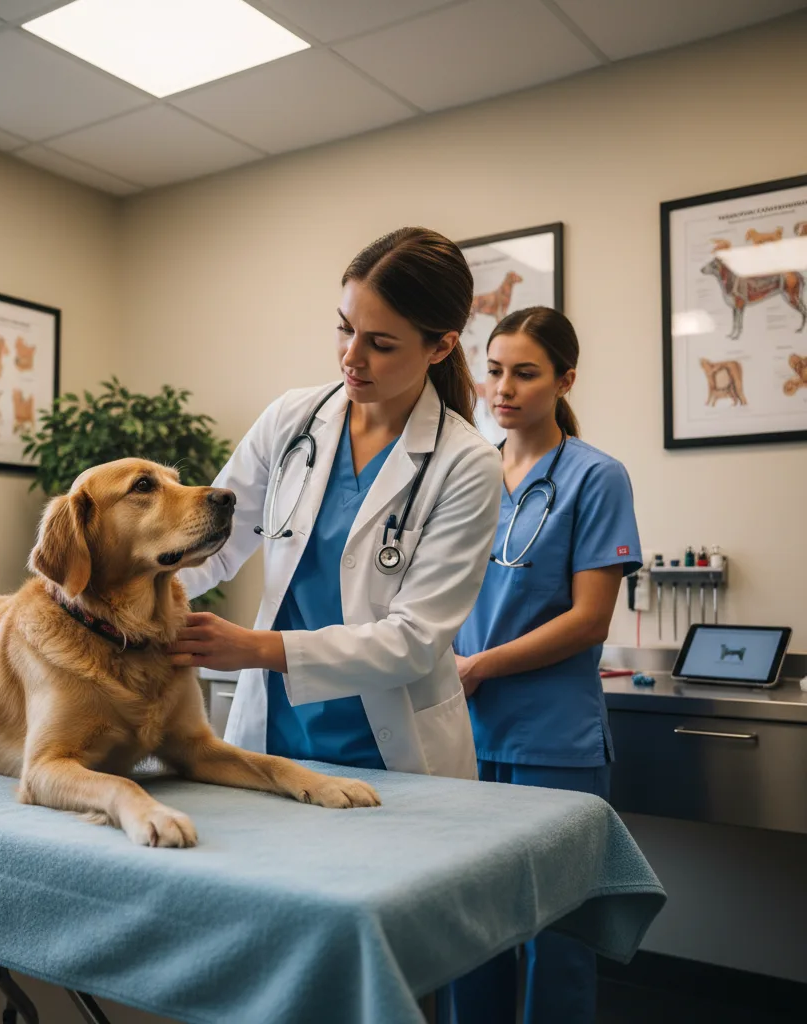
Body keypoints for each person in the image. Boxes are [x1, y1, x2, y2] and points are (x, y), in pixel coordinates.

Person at [171, 227, 501, 780]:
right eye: (345, 328)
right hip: (275, 730)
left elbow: (414, 640)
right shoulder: (290, 421)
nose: (352, 356)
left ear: (441, 346)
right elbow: (212, 547)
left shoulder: (466, 463)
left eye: (381, 343)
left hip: (390, 748)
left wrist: (255, 647)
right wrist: (120, 605)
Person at [448, 306, 642, 1024]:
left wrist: (480, 668)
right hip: (462, 734)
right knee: (468, 928)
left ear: (564, 380)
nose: (504, 388)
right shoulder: (468, 472)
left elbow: (590, 619)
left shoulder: (597, 477)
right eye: (494, 370)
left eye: (525, 373)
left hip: (550, 740)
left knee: (554, 937)